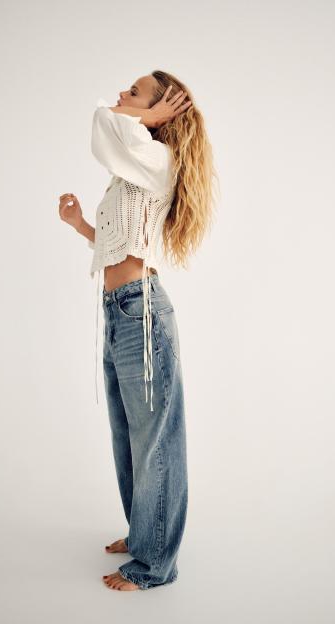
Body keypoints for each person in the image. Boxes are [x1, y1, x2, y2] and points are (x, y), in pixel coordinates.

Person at [58, 70, 217, 591]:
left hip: (141, 312)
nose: (123, 95)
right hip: (119, 310)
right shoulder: (135, 162)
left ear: (162, 111)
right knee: (129, 436)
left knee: (155, 442)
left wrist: (143, 115)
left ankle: (155, 565)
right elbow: (117, 241)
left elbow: (103, 118)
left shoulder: (157, 156)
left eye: (136, 91)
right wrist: (81, 226)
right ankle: (144, 533)